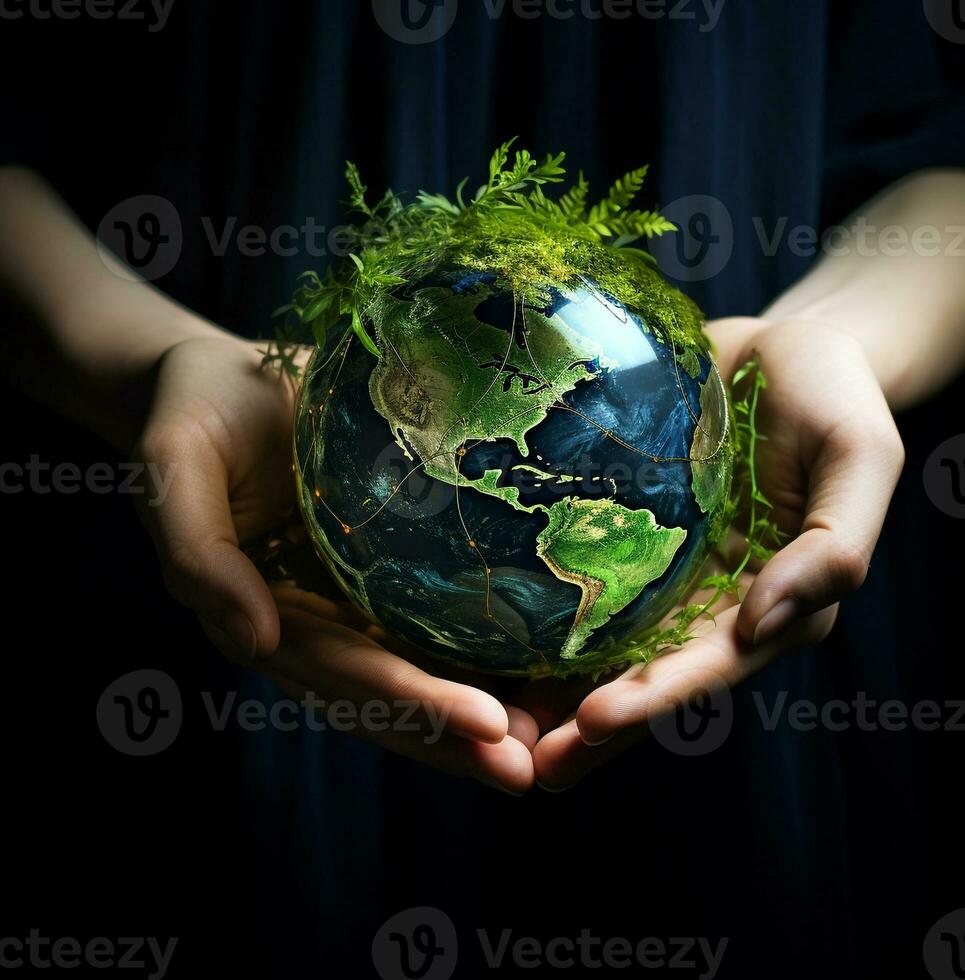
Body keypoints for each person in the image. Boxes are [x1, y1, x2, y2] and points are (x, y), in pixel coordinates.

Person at [1, 2, 963, 976]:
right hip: (211, 619)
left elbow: (934, 158)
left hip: (752, 691)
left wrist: (843, 336)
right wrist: (143, 363)